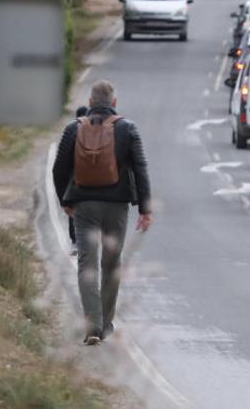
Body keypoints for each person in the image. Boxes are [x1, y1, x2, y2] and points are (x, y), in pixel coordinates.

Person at [52, 80, 153, 346]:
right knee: (111, 264)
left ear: (90, 101)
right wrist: (145, 209)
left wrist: (65, 199)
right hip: (117, 207)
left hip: (84, 206)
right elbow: (141, 168)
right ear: (114, 103)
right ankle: (106, 324)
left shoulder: (73, 129)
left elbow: (58, 168)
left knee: (87, 264)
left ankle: (92, 326)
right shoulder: (128, 128)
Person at [68, 105, 89, 257]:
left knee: (72, 211)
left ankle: (75, 241)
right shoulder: (99, 133)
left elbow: (62, 163)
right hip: (93, 181)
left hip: (74, 180)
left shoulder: (70, 133)